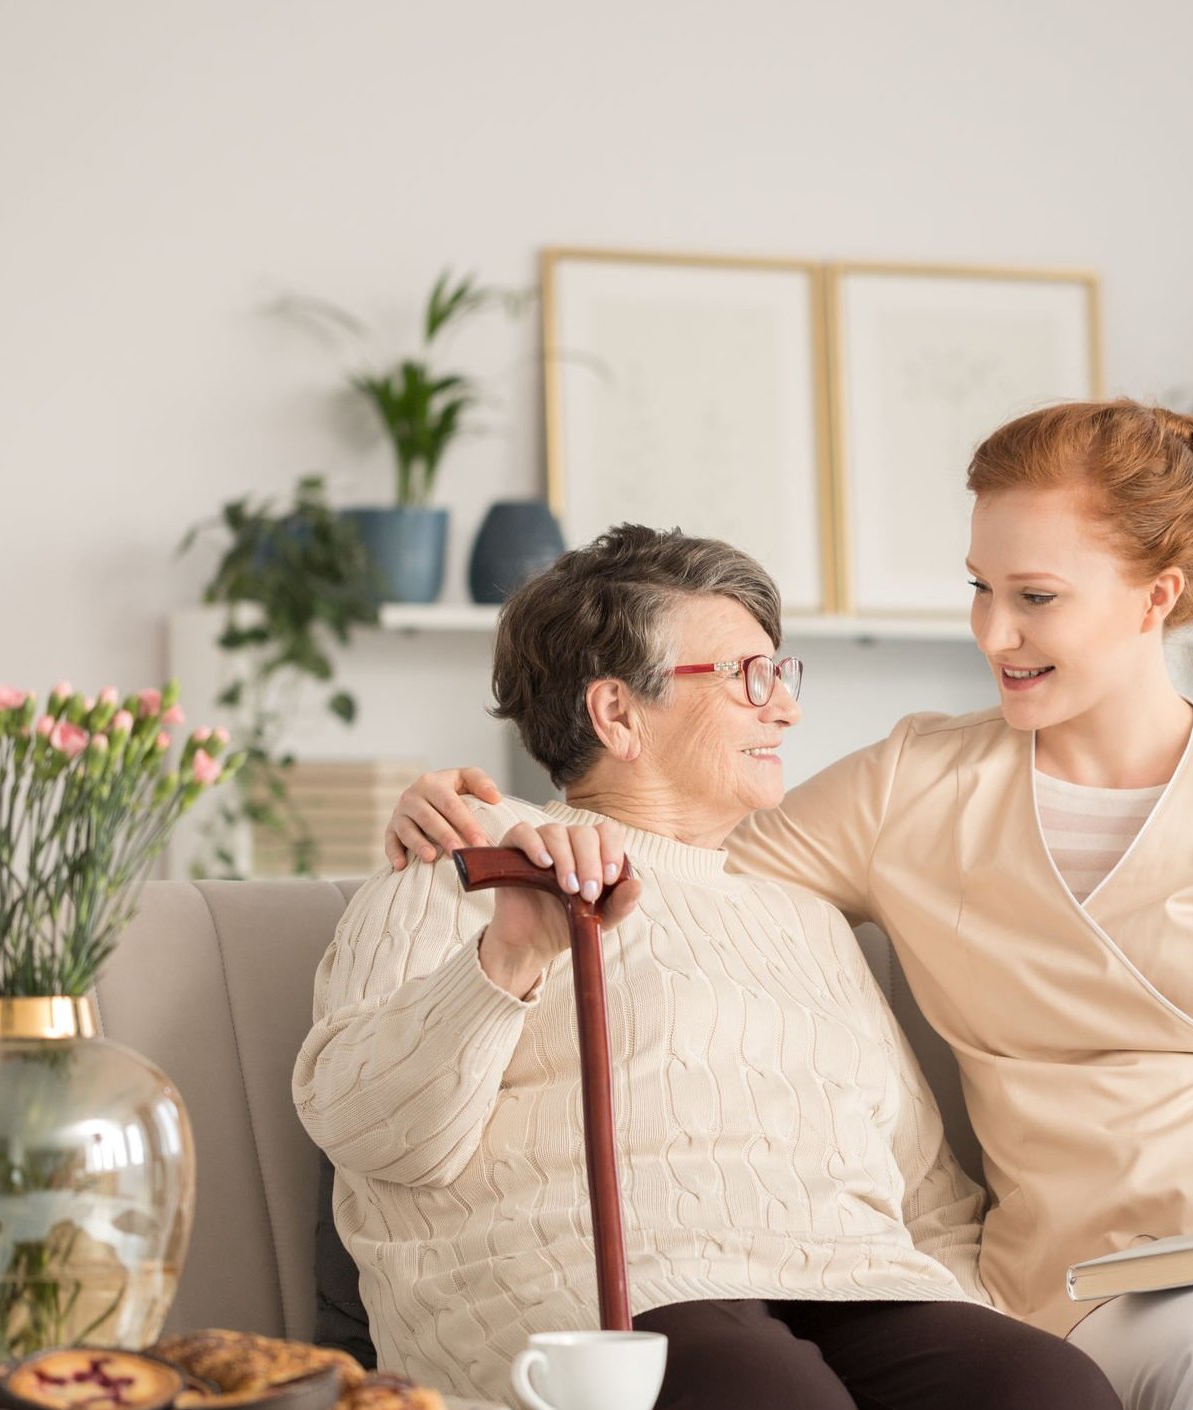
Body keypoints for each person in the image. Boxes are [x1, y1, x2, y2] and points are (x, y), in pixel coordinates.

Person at [388, 401, 1193, 1409]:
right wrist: (475, 821)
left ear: (1160, 596)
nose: (993, 634)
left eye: (1035, 597)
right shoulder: (910, 786)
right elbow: (679, 853)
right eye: (982, 591)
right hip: (1109, 1269)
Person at [291, 526, 1119, 1410]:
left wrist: (980, 1323)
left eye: (782, 674)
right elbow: (371, 1133)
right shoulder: (471, 861)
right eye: (746, 678)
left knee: (1050, 1389)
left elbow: (928, 1199)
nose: (786, 709)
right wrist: (512, 954)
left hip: (855, 1283)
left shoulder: (801, 916)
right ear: (617, 714)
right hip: (604, 1288)